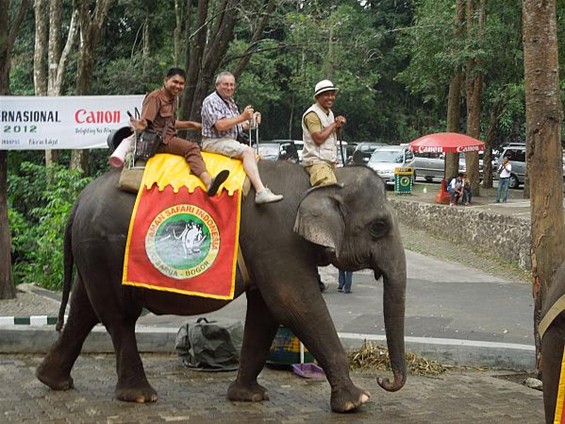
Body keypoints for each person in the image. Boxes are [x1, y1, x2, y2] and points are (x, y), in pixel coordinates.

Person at [129, 68, 229, 196]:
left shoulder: (174, 99)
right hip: (159, 141)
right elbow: (145, 123)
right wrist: (139, 124)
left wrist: (192, 124)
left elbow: (170, 124)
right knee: (192, 147)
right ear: (166, 81)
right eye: (174, 82)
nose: (178, 86)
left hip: (169, 136)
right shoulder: (155, 97)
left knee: (195, 145)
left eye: (181, 84)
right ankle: (208, 182)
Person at [200, 71, 283, 204]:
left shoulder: (230, 102)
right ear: (217, 85)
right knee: (247, 151)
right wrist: (242, 117)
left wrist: (251, 121)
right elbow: (220, 125)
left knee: (254, 153)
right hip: (214, 141)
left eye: (232, 85)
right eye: (226, 84)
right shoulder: (211, 101)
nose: (229, 88)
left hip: (229, 140)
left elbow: (237, 125)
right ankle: (261, 191)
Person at [301, 79, 347, 187]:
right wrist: (335, 124)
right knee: (329, 189)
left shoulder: (329, 113)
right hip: (316, 163)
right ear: (318, 97)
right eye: (326, 95)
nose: (330, 98)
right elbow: (318, 139)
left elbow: (330, 136)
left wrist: (337, 125)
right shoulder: (312, 115)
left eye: (332, 95)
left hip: (329, 162)